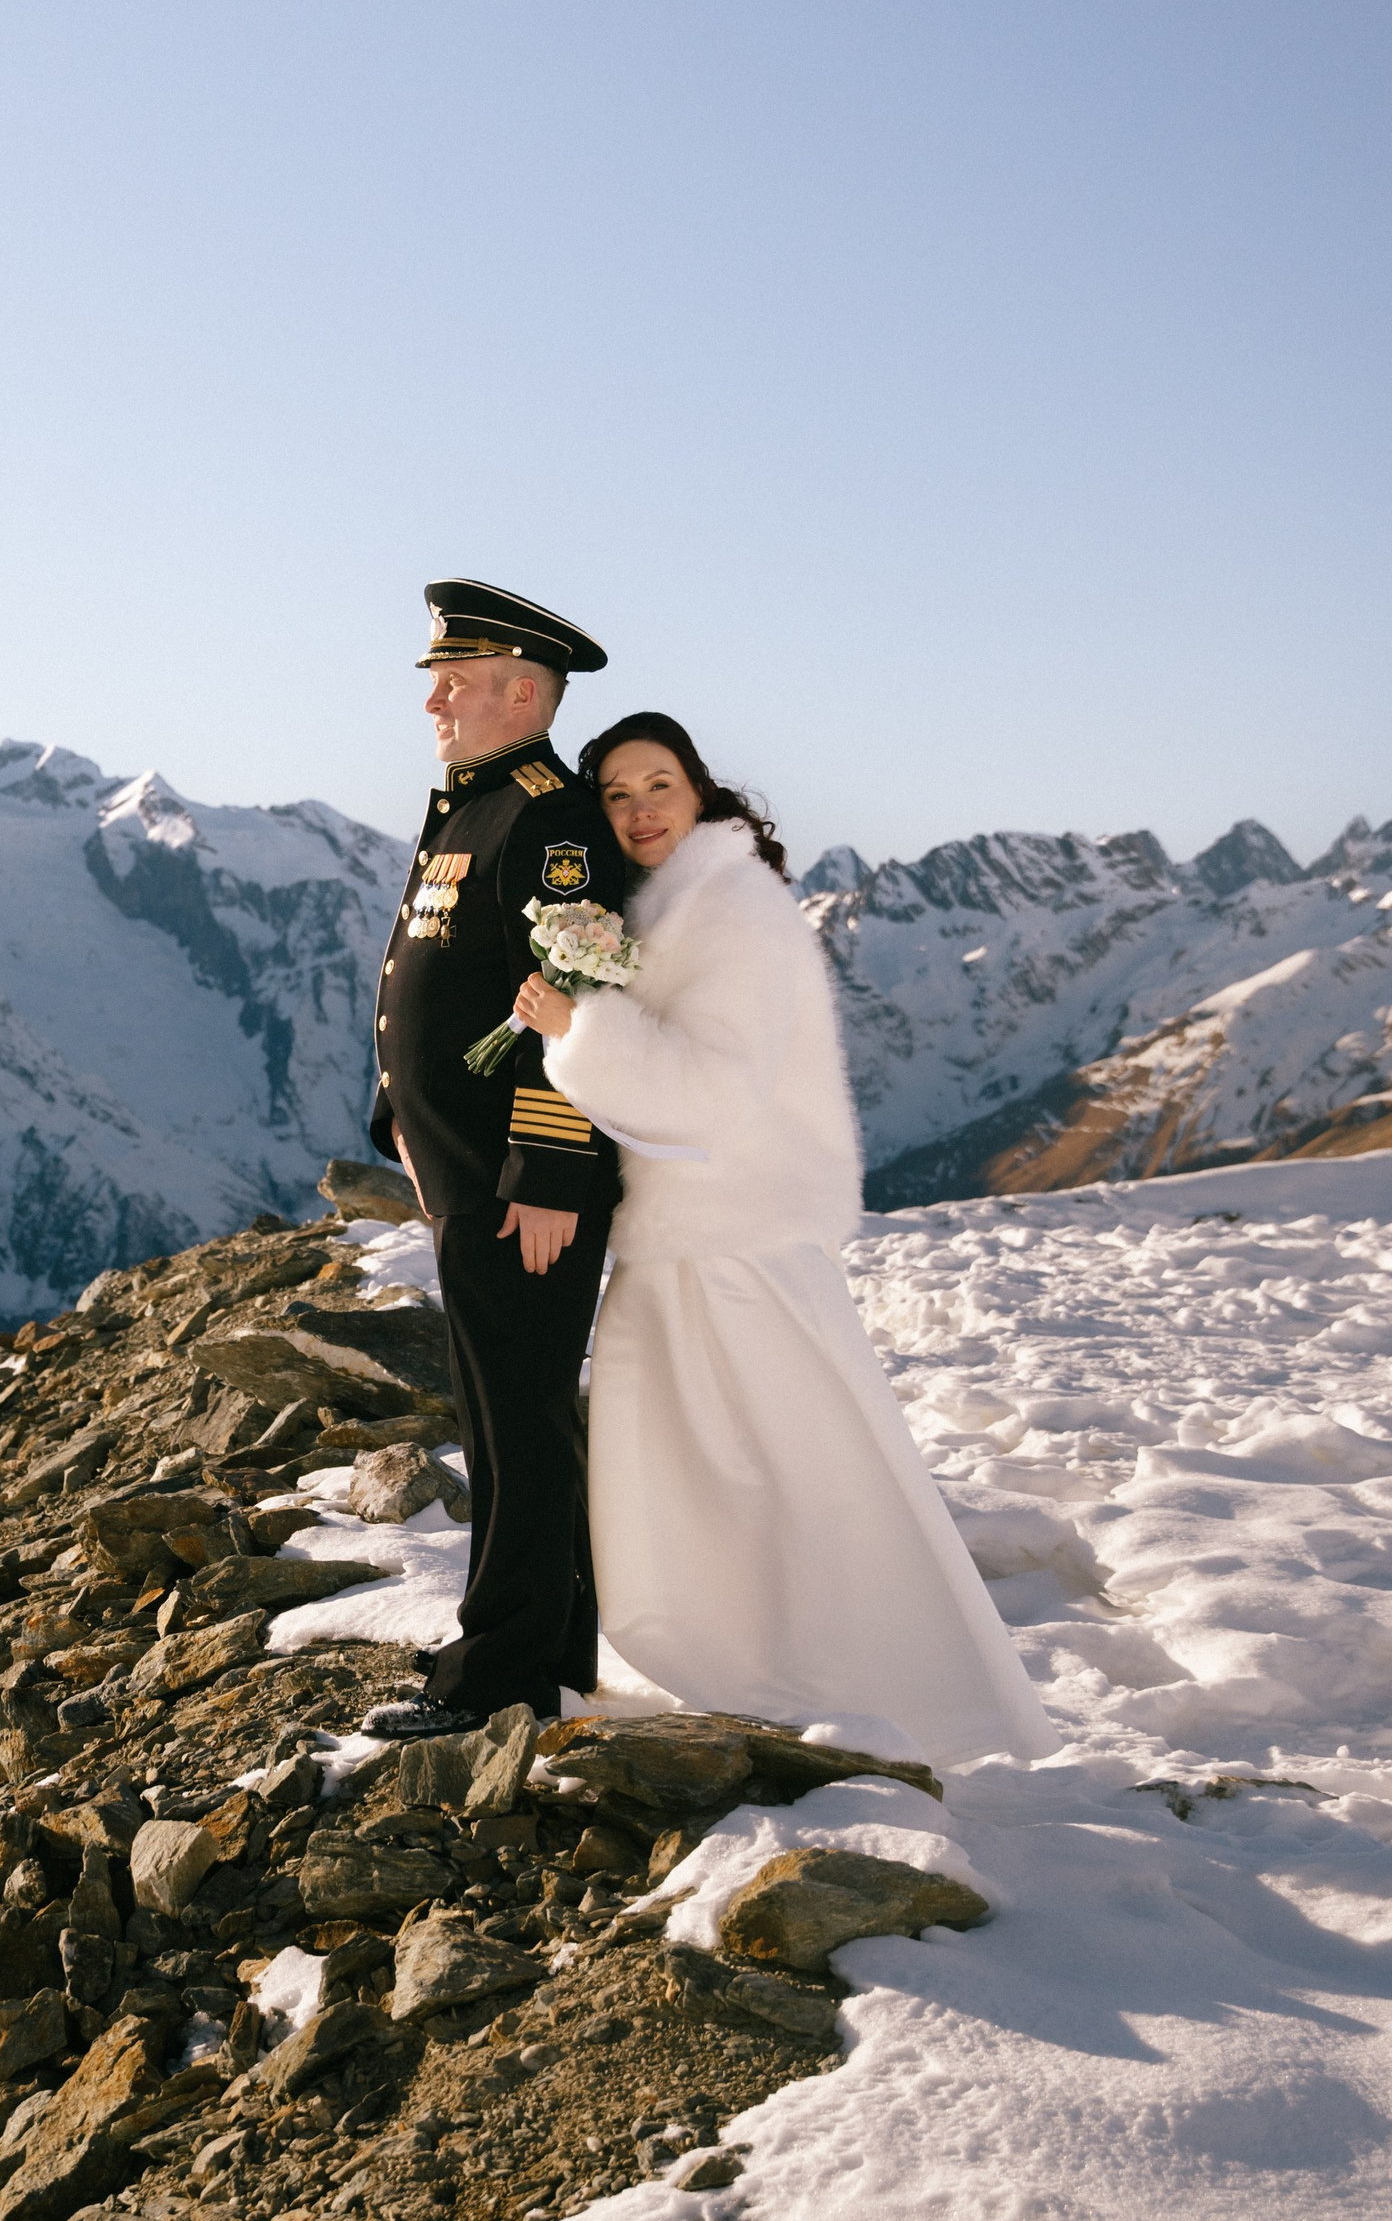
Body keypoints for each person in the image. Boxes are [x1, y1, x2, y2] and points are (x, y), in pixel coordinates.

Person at [522, 713, 1057, 1764]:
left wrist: (578, 1027)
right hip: (698, 1229)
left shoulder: (736, 914)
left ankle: (841, 1679)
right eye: (617, 793)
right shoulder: (679, 902)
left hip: (731, 1238)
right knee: (725, 1463)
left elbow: (713, 1087)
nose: (637, 811)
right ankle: (757, 1664)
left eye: (658, 785)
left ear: (701, 793)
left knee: (770, 1462)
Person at [361, 579, 629, 1739]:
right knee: (503, 1407)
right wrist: (402, 1122)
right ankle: (547, 1640)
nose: (432, 698)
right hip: (462, 1167)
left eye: (453, 680)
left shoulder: (547, 817)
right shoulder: (471, 806)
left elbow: (578, 993)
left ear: (523, 692)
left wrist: (548, 1176)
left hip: (522, 1184)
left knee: (514, 1418)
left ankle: (501, 1676)